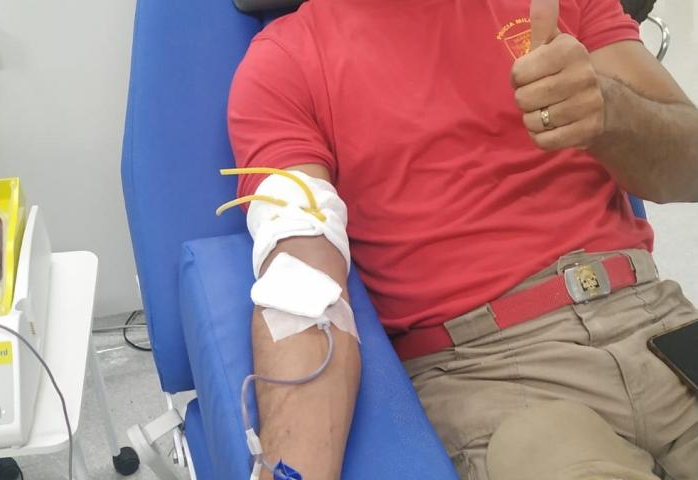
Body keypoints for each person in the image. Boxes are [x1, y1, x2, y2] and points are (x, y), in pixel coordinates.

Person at [227, 0, 698, 478]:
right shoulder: (286, 62)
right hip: (492, 374)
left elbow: (691, 168)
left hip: (657, 323)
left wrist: (610, 108)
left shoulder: (557, 4)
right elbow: (304, 290)